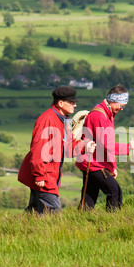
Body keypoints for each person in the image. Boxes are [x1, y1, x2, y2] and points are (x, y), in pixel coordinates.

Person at [18, 86, 96, 214]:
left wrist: (85, 146)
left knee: (35, 213)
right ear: (60, 103)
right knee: (54, 213)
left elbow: (69, 148)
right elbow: (38, 149)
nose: (75, 105)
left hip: (49, 175)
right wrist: (39, 176)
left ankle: (17, 231)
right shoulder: (47, 120)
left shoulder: (64, 120)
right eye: (71, 102)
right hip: (44, 176)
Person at [75, 84, 134, 212]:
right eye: (121, 106)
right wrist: (128, 148)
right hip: (93, 162)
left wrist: (112, 167)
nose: (121, 109)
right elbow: (106, 145)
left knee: (90, 195)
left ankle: (82, 219)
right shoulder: (100, 116)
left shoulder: (106, 113)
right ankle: (111, 221)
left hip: (91, 161)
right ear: (113, 100)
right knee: (114, 191)